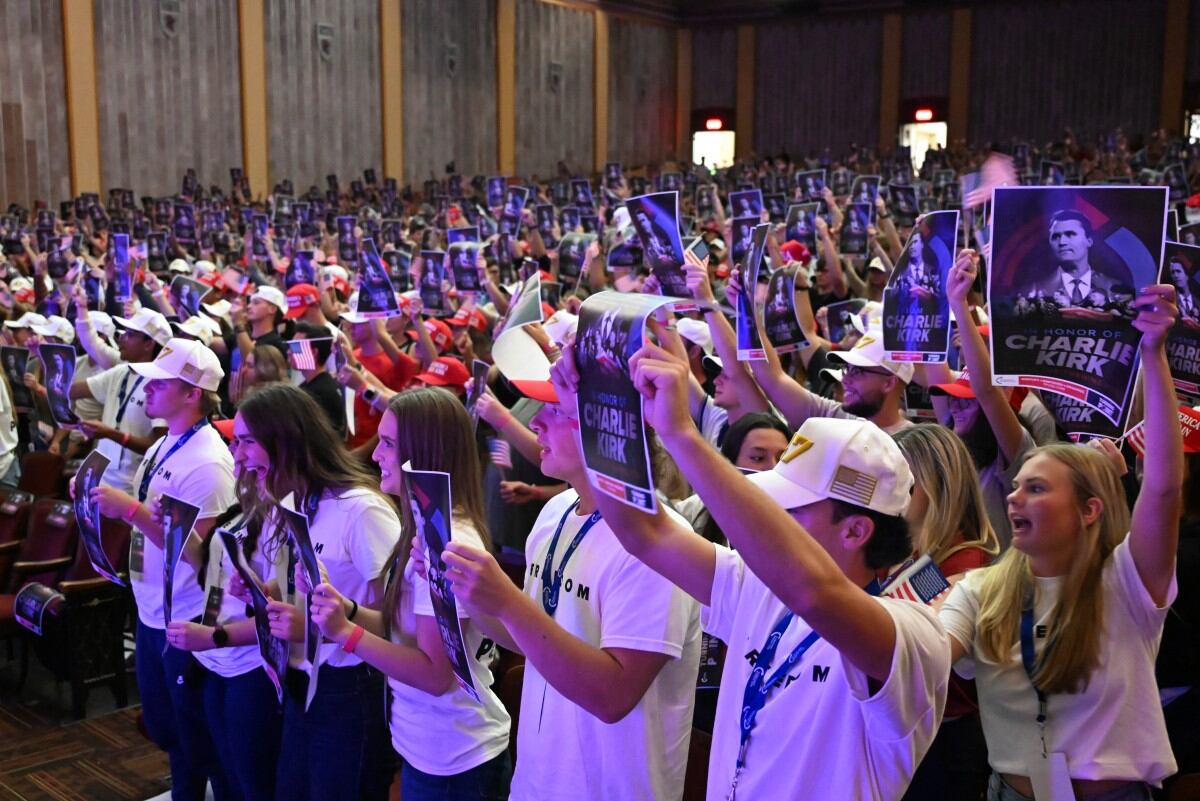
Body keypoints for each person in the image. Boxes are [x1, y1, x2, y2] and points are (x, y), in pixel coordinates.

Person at [550, 340, 949, 800]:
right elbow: (644, 532)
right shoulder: (758, 587)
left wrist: (682, 434)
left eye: (790, 511)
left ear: (856, 530)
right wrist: (600, 415)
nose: (766, 519)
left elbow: (815, 593)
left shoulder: (916, 636)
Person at [939, 280, 1183, 801]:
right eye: (1017, 485)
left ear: (1089, 510)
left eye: (1036, 488)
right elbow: (930, 653)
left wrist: (1153, 353)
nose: (1013, 498)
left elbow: (1162, 486)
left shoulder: (1127, 581)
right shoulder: (981, 588)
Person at [437, 373, 701, 801]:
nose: (537, 421)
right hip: (538, 779)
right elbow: (529, 640)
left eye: (558, 410)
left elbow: (613, 695)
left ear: (608, 425)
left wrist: (506, 599)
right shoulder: (557, 509)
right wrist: (465, 589)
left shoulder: (660, 539)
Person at [309, 388, 512, 800]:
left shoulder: (448, 540)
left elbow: (434, 674)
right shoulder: (423, 525)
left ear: (421, 453)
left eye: (387, 444)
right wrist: (344, 609)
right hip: (429, 742)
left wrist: (346, 635)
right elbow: (399, 626)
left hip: (456, 752)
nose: (375, 454)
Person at [87, 338, 237, 801]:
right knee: (168, 729)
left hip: (186, 613)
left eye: (160, 381)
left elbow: (198, 555)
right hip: (153, 605)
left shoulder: (210, 463)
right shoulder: (165, 443)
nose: (146, 386)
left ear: (193, 393)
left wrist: (130, 512)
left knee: (197, 739)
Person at [236, 384, 398, 801]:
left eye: (248, 442)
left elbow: (399, 623)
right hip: (301, 681)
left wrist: (313, 627)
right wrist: (264, 595)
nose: (238, 456)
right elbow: (301, 590)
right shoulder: (285, 503)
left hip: (352, 688)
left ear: (286, 440)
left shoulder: (361, 510)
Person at [893, 423, 1000, 801]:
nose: (890, 492)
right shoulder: (913, 552)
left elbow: (922, 654)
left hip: (949, 744)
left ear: (936, 484)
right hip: (918, 736)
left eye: (902, 480)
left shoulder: (968, 561)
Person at [1016, 210, 1120, 307]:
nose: (1062, 242)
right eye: (1056, 236)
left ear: (1089, 241)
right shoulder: (1031, 292)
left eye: (1070, 234)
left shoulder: (1116, 290)